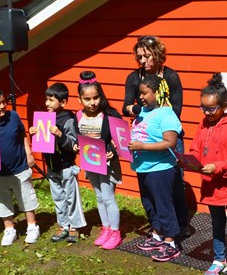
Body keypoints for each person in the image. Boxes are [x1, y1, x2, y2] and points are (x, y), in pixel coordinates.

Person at [122, 35, 188, 234]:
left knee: (175, 180)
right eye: (140, 57)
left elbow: (176, 108)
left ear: (157, 55)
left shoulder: (170, 75)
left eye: (147, 56)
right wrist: (138, 110)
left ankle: (181, 223)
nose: (143, 61)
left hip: (168, 132)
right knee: (150, 185)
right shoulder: (134, 78)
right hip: (145, 134)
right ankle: (159, 226)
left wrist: (158, 118)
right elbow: (125, 107)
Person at [189, 73, 227, 275]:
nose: (207, 112)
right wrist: (189, 161)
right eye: (203, 107)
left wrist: (218, 167)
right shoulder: (203, 125)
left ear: (224, 105)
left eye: (211, 108)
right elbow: (196, 149)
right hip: (211, 186)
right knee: (216, 223)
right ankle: (219, 259)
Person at [0, 86, 40, 246]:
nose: (3, 106)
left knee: (26, 197)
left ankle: (32, 226)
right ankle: (9, 228)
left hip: (20, 168)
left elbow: (22, 134)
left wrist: (29, 153)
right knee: (2, 201)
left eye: (4, 102)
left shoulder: (14, 117)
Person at [129, 74, 182, 262]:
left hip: (161, 168)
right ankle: (157, 234)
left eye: (144, 93)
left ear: (157, 92)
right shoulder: (142, 112)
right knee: (149, 204)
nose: (140, 97)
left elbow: (170, 142)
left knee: (163, 205)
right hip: (143, 166)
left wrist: (142, 147)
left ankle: (170, 242)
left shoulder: (166, 113)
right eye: (139, 93)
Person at [29, 82, 86, 243]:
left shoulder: (67, 120)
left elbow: (74, 145)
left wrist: (60, 134)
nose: (47, 103)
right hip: (52, 167)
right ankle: (63, 225)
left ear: (62, 102)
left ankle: (75, 227)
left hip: (66, 166)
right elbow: (43, 142)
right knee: (58, 198)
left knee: (71, 197)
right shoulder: (45, 119)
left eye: (51, 100)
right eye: (46, 99)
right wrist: (35, 132)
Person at [74, 71, 124, 250]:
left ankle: (116, 232)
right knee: (99, 197)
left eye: (95, 97)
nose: (92, 102)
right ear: (80, 99)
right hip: (91, 162)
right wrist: (76, 146)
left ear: (100, 96)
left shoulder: (110, 115)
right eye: (87, 99)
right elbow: (78, 137)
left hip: (108, 164)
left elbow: (122, 139)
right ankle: (106, 228)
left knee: (109, 197)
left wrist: (115, 151)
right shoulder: (78, 116)